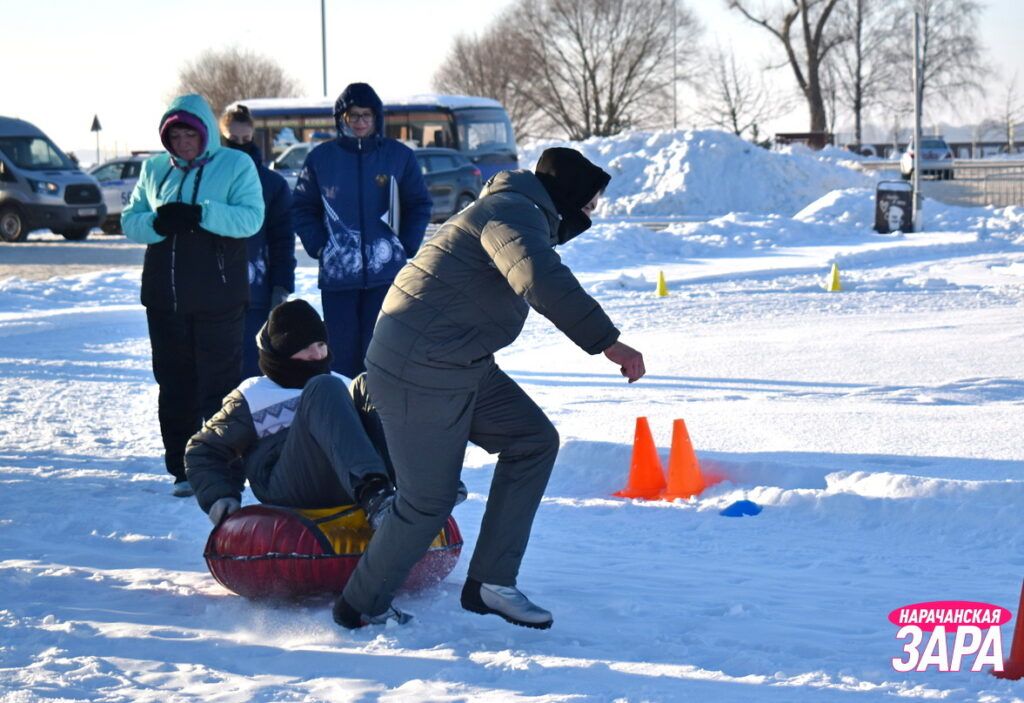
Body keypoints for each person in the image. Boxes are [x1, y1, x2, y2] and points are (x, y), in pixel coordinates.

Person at [333, 147, 646, 630]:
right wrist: (608, 342)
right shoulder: (511, 214)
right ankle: (359, 605)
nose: (593, 212)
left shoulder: (518, 209)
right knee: (426, 503)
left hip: (459, 360)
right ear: (566, 195)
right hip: (419, 365)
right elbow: (538, 277)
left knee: (533, 440)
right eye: (590, 201)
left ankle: (491, 584)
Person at [184, 300, 398, 586]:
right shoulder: (255, 395)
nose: (316, 353)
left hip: (345, 481)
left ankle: (420, 485)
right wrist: (220, 496)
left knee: (369, 383)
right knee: (322, 386)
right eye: (304, 346)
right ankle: (377, 495)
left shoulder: (341, 385)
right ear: (282, 352)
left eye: (320, 344)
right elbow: (204, 449)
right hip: (288, 483)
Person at [122, 93, 264, 497]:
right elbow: (131, 221)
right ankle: (183, 467)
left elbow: (252, 218)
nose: (184, 142)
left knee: (219, 385)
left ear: (205, 133)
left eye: (190, 134)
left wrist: (204, 213)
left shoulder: (236, 165)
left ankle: (222, 467)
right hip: (164, 299)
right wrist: (158, 221)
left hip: (218, 296)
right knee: (173, 383)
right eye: (176, 135)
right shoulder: (153, 169)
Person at [292, 82, 432, 378]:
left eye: (366, 115)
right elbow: (302, 207)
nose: (360, 122)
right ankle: (348, 417)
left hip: (386, 275)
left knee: (382, 353)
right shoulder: (321, 158)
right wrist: (320, 246)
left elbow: (418, 203)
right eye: (353, 116)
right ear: (341, 118)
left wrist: (405, 245)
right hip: (338, 277)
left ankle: (381, 420)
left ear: (377, 118)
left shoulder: (398, 156)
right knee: (341, 356)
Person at [220, 104, 296, 378]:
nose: (239, 145)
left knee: (255, 374)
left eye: (246, 139)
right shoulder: (209, 182)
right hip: (214, 298)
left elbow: (282, 240)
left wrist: (282, 286)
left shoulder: (272, 184)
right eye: (232, 140)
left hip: (258, 297)